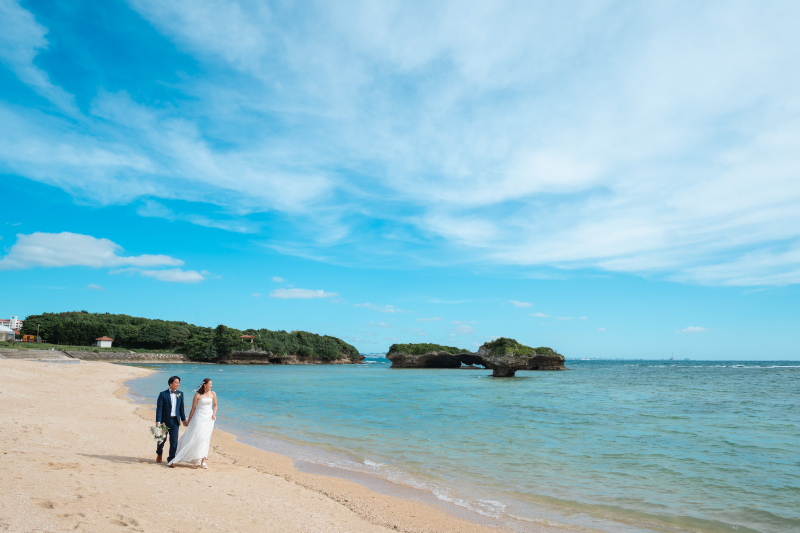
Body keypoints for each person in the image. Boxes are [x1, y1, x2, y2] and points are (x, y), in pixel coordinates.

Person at [168, 378, 217, 469]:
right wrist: (188, 421)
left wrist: (214, 415)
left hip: (209, 419)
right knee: (198, 437)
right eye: (209, 384)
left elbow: (215, 405)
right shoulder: (197, 395)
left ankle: (203, 460)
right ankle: (197, 459)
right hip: (199, 418)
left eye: (211, 384)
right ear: (204, 385)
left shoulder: (213, 393)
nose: (211, 386)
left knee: (205, 438)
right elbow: (193, 409)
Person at [155, 376, 188, 464]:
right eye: (176, 382)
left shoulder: (180, 394)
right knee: (162, 440)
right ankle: (159, 453)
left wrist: (184, 419)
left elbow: (181, 409)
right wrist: (158, 421)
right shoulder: (163, 394)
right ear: (170, 383)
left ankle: (171, 460)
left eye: (178, 383)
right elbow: (159, 409)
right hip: (164, 421)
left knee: (174, 442)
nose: (178, 384)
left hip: (175, 421)